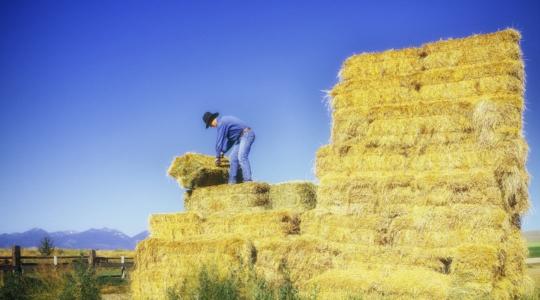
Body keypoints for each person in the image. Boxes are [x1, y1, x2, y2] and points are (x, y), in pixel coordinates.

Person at [202, 111, 255, 184]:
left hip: (247, 134)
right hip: (239, 138)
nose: (211, 127)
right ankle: (232, 183)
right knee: (232, 158)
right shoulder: (224, 123)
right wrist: (222, 151)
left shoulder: (222, 123)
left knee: (241, 156)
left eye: (210, 124)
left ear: (212, 120)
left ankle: (248, 181)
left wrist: (217, 157)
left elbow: (219, 141)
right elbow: (230, 141)